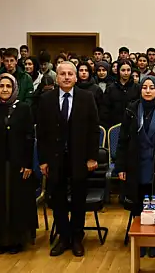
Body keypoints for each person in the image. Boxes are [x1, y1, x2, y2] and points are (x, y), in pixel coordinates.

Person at [37, 62, 101, 258]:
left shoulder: (86, 97)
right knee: (58, 200)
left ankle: (76, 237)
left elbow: (93, 129)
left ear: (76, 77)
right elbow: (42, 132)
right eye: (62, 74)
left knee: (79, 200)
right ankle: (63, 237)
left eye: (70, 74)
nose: (66, 77)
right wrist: (43, 160)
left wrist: (92, 157)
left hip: (79, 158)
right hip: (55, 159)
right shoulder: (46, 99)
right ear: (56, 77)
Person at [115, 75, 155, 259]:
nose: (148, 91)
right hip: (136, 164)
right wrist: (120, 167)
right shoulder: (131, 109)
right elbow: (122, 141)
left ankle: (154, 241)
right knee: (138, 205)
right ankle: (141, 241)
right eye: (145, 87)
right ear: (140, 89)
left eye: (152, 87)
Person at [0, 74, 38, 254]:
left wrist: (28, 164)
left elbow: (30, 138)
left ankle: (17, 240)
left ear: (14, 89)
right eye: (1, 86)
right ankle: (0, 240)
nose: (5, 89)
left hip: (19, 164)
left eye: (8, 86)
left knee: (17, 201)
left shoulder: (24, 108)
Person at [101, 60, 138, 129]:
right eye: (123, 70)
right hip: (114, 126)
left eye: (128, 70)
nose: (126, 73)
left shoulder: (137, 88)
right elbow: (105, 110)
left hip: (132, 126)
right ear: (118, 71)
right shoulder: (111, 88)